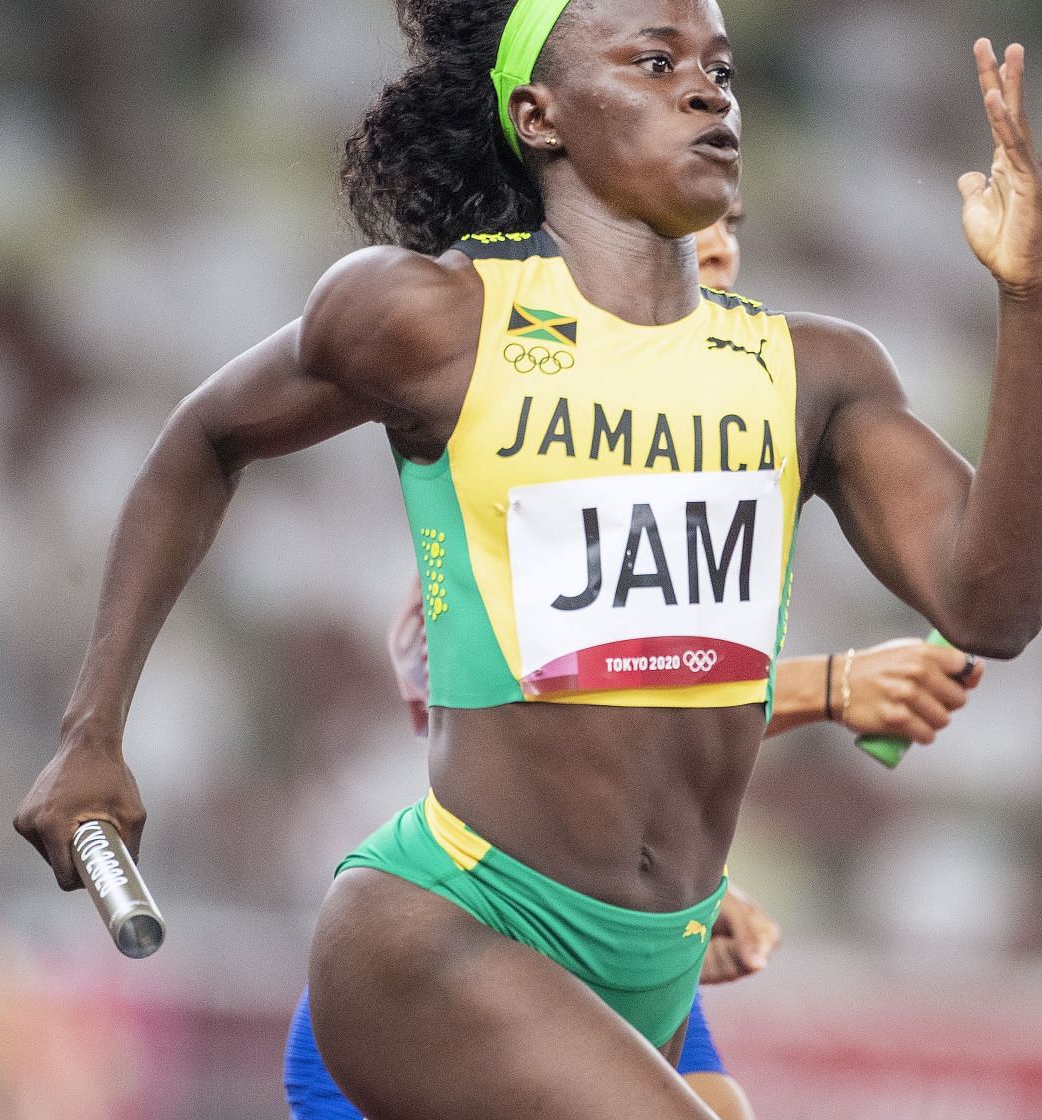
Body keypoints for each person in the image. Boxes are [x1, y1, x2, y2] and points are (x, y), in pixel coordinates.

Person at [15, 0, 1042, 1119]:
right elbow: (202, 438)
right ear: (538, 116)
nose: (710, 95)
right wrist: (93, 726)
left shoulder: (814, 371)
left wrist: (1031, 300)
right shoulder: (430, 321)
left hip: (649, 972)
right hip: (441, 933)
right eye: (655, 63)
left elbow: (996, 606)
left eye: (722, 71)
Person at [280, 203, 991, 1120]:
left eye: (734, 219)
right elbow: (581, 720)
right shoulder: (521, 459)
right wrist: (836, 685)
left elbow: (671, 730)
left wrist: (701, 884)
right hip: (480, 959)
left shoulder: (747, 432)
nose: (723, 240)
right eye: (687, 222)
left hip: (640, 956)